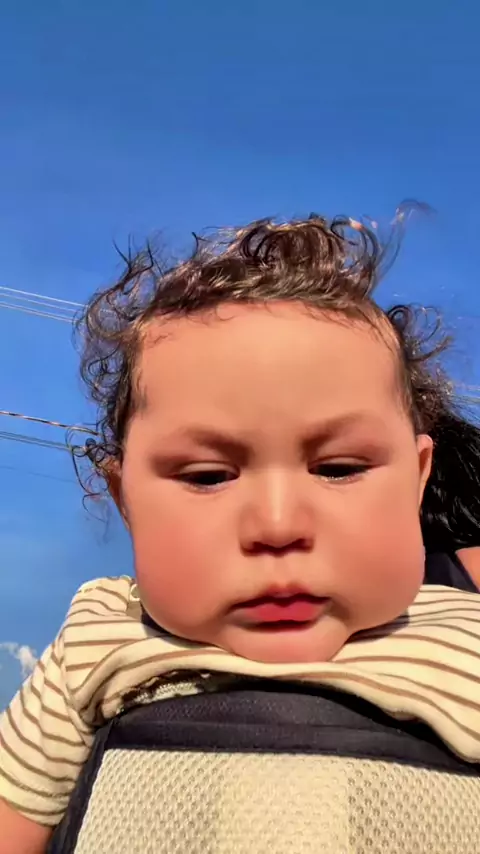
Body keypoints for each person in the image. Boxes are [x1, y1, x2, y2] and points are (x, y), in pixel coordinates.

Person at [2, 208, 480, 853]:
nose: (277, 526)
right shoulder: (96, 642)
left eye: (338, 468)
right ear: (124, 499)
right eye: (207, 476)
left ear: (417, 480)